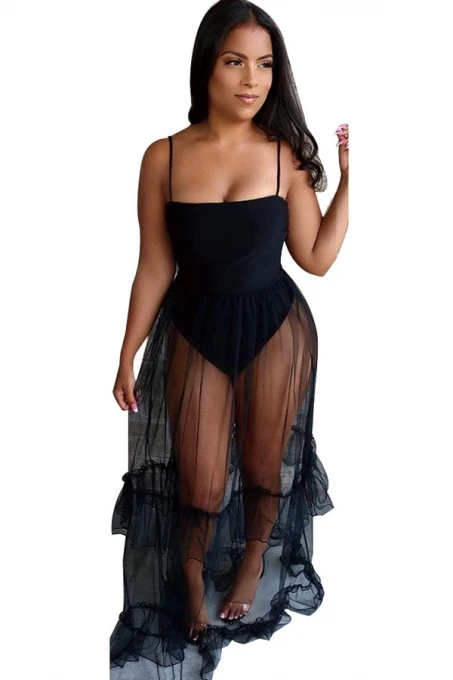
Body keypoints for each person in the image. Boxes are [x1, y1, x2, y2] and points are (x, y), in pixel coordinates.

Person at [110, 0, 348, 677]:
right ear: (206, 66)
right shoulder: (163, 157)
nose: (252, 80)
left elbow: (316, 258)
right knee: (199, 479)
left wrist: (348, 181)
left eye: (265, 65)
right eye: (235, 61)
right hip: (194, 324)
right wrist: (126, 350)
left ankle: (251, 563)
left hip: (275, 327)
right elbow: (154, 264)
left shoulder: (283, 156)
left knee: (268, 465)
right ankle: (189, 578)